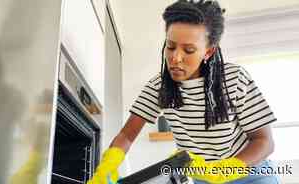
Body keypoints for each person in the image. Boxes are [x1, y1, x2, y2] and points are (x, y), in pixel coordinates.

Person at [87, 0, 279, 183]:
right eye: (170, 46)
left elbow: (264, 141)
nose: (175, 58)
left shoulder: (234, 78)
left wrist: (223, 171)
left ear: (208, 52)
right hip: (203, 179)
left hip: (252, 174)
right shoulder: (158, 87)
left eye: (188, 50)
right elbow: (127, 136)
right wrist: (105, 169)